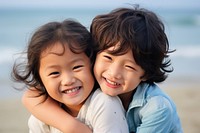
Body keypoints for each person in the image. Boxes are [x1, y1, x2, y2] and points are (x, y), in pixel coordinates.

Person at [21, 6, 183, 133]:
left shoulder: (156, 109)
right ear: (94, 55)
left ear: (146, 73)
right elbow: (31, 96)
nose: (113, 73)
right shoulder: (90, 81)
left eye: (129, 66)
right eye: (108, 58)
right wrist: (71, 127)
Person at [12, 19, 129, 133]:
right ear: (40, 79)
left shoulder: (104, 104)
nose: (68, 80)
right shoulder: (40, 119)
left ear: (92, 64)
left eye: (77, 67)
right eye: (54, 73)